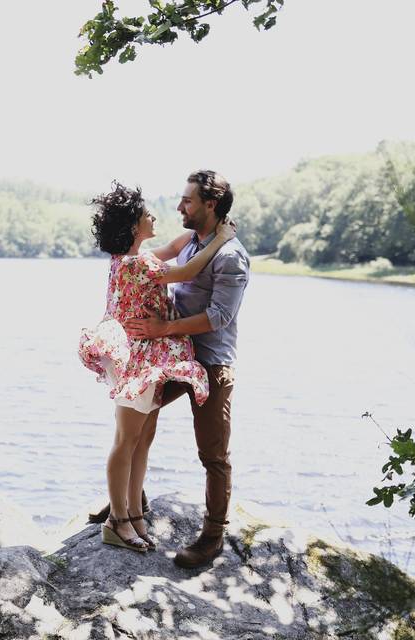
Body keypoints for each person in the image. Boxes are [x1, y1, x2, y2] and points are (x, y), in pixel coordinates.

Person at [79, 181, 237, 552]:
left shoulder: (132, 257)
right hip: (136, 359)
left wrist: (206, 229)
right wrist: (220, 239)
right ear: (135, 226)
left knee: (142, 438)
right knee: (126, 440)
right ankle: (118, 521)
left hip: (143, 357)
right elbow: (187, 270)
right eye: (147, 213)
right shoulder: (138, 264)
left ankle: (134, 513)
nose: (154, 216)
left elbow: (172, 249)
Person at [123, 170, 250, 568]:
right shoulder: (193, 241)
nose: (179, 207)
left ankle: (213, 536)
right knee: (136, 417)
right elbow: (158, 266)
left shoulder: (231, 256)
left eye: (188, 201)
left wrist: (164, 327)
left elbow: (219, 316)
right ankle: (127, 503)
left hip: (211, 362)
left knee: (213, 453)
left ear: (211, 205)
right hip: (174, 353)